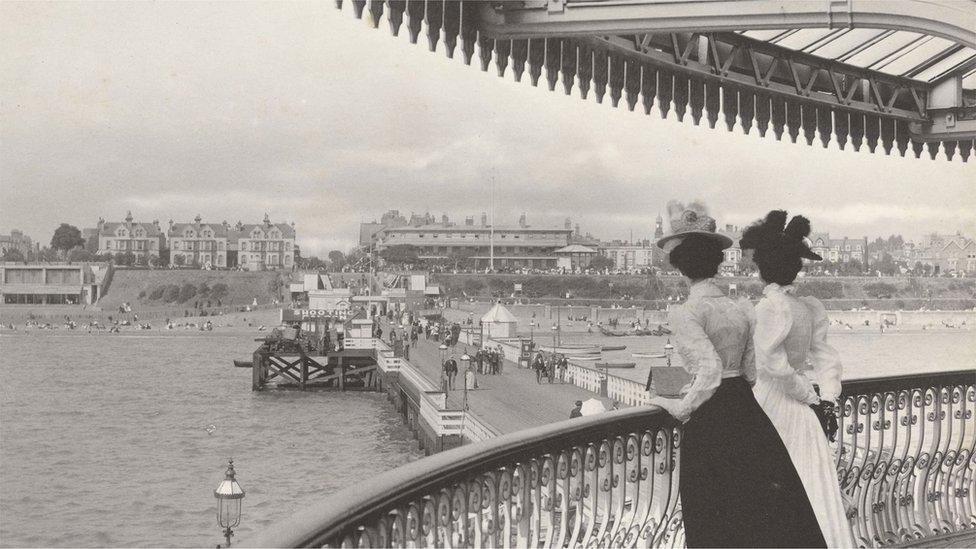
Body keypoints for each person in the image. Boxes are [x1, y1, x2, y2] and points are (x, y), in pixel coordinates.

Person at [647, 206, 825, 548]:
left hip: (711, 421)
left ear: (681, 267)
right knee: (758, 513)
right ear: (714, 263)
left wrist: (681, 407)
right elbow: (750, 372)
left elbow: (710, 371)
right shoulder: (739, 308)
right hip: (748, 413)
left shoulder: (688, 312)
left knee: (714, 515)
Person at [740, 210, 855, 548]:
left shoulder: (770, 308)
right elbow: (825, 357)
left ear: (763, 269)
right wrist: (827, 397)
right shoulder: (807, 307)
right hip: (802, 413)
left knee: (771, 495)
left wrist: (808, 395)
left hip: (771, 405)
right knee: (812, 488)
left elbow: (773, 365)